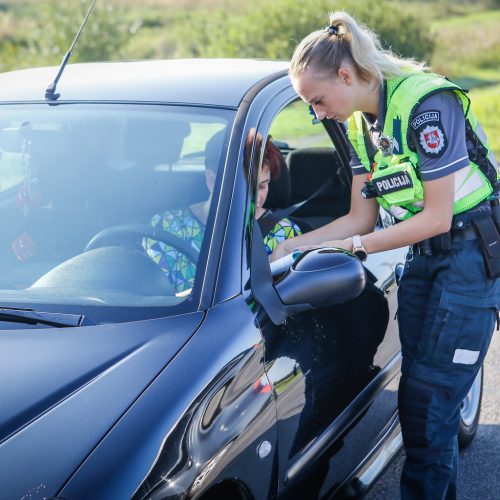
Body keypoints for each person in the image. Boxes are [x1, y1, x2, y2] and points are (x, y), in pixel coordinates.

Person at [271, 11, 500, 500]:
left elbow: (436, 215)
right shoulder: (359, 129)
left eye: (317, 100)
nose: (315, 114)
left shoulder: (426, 105)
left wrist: (355, 248)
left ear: (347, 76)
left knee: (428, 407)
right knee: (418, 402)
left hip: (468, 258)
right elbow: (360, 218)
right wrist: (290, 247)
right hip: (425, 258)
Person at [144, 130, 301, 294]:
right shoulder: (166, 225)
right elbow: (156, 296)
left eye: (262, 186)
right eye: (244, 188)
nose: (256, 199)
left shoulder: (284, 233)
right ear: (212, 181)